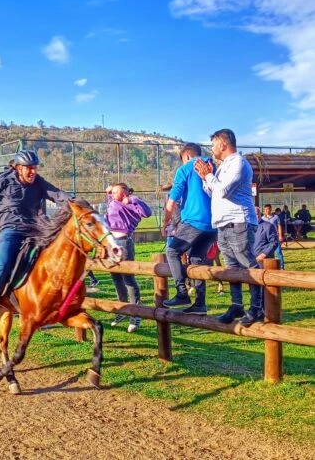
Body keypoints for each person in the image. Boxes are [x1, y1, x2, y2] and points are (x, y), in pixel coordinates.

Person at [0, 150, 70, 324]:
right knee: (5, 260)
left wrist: (76, 203)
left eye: (35, 168)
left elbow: (57, 195)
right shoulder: (2, 180)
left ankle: (47, 298)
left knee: (56, 253)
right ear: (18, 168)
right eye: (28, 168)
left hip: (34, 227)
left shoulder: (39, 183)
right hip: (10, 227)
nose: (32, 172)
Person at [194, 129, 262, 326]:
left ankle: (257, 307)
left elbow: (223, 190)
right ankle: (236, 305)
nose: (213, 149)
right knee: (231, 266)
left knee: (248, 264)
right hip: (223, 224)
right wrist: (204, 177)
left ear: (223, 144)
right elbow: (213, 191)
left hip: (239, 221)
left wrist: (209, 176)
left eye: (214, 144)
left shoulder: (238, 163)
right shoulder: (223, 167)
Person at [162, 143, 217, 315]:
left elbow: (172, 201)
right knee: (196, 259)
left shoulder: (184, 169)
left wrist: (166, 222)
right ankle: (200, 304)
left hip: (194, 221)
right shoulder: (213, 166)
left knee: (172, 252)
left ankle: (181, 292)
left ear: (186, 156)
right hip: (213, 226)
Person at [105, 183, 152, 332]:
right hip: (111, 241)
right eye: (111, 193)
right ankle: (123, 309)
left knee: (128, 278)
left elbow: (147, 213)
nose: (112, 195)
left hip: (124, 241)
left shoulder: (131, 201)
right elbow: (110, 201)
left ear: (124, 193)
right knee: (116, 277)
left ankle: (136, 313)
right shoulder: (113, 202)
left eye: (115, 192)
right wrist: (110, 192)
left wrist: (134, 200)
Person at [263, 204, 285, 269]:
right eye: (265, 209)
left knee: (278, 252)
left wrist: (280, 236)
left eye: (268, 209)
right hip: (266, 239)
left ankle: (281, 267)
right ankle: (270, 266)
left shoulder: (276, 217)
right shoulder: (262, 218)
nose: (267, 211)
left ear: (271, 209)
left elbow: (279, 226)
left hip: (275, 237)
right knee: (268, 253)